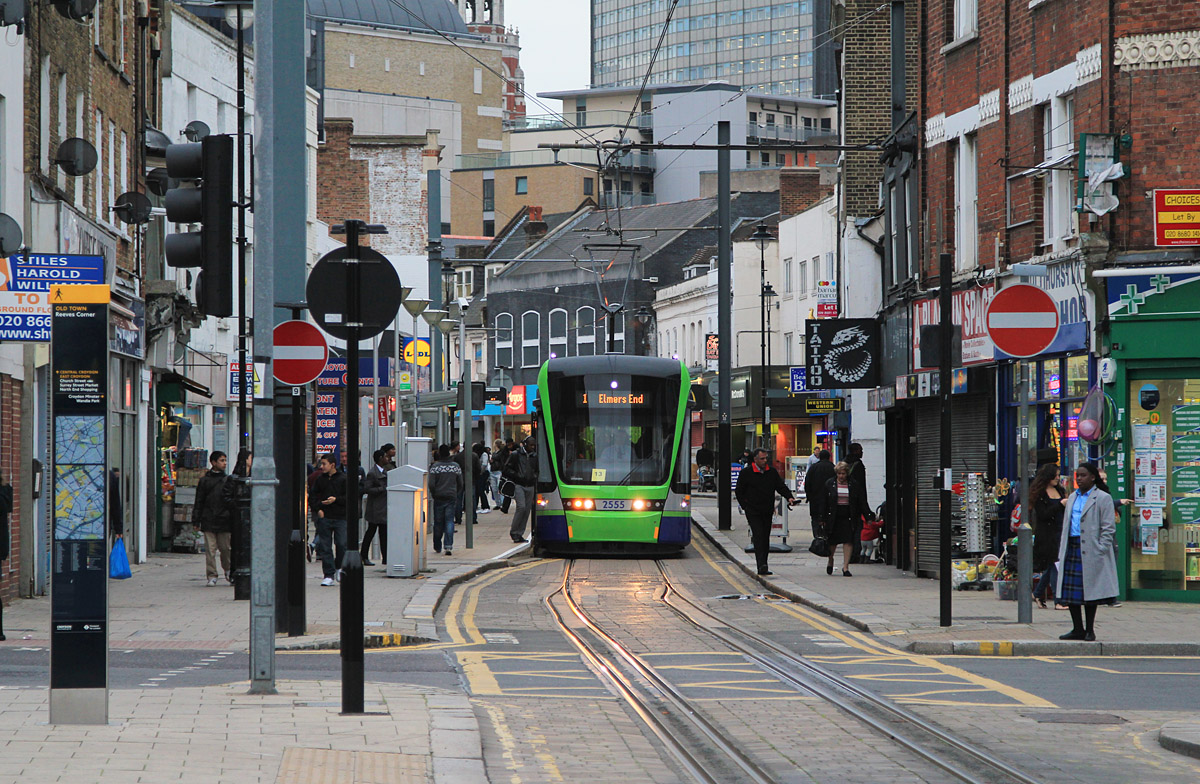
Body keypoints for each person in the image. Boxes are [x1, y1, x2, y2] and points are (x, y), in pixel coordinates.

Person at [1054, 461, 1119, 641]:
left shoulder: (1103, 498)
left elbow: (1108, 527)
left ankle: (1090, 629)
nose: (1079, 479)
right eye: (1078, 476)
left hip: (1091, 548)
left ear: (1092, 477)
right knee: (1071, 592)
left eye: (1083, 476)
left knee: (1090, 591)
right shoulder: (1072, 497)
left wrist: (1101, 548)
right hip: (1072, 545)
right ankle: (1077, 628)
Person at [734, 448, 795, 576]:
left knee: (765, 537)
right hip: (753, 511)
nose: (765, 460)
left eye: (766, 458)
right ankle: (761, 564)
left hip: (767, 510)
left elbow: (780, 486)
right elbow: (739, 491)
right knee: (758, 535)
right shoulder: (746, 473)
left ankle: (764, 564)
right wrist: (745, 506)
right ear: (755, 459)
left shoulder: (771, 472)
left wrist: (789, 497)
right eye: (762, 458)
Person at [819, 461, 871, 577]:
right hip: (833, 516)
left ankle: (845, 567)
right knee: (832, 541)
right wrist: (822, 517)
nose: (841, 476)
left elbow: (861, 501)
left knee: (848, 541)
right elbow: (824, 501)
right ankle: (830, 559)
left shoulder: (853, 484)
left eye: (843, 473)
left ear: (847, 473)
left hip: (848, 516)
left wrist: (868, 515)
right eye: (839, 474)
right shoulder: (830, 484)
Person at [1029, 463, 1066, 609]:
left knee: (1053, 565)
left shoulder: (1060, 490)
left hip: (1061, 530)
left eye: (1058, 475)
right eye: (1055, 476)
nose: (1057, 478)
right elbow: (1043, 514)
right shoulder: (1040, 494)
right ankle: (1059, 600)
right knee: (1055, 564)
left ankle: (1038, 593)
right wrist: (1060, 505)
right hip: (1047, 534)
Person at [193, 451, 232, 587]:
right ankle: (212, 575)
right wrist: (196, 520)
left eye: (225, 460)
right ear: (213, 463)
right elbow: (199, 501)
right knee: (210, 550)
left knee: (226, 549)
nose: (224, 463)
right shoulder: (205, 481)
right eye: (221, 460)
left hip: (224, 520)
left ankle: (228, 570)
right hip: (209, 519)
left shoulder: (228, 480)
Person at [311, 453, 348, 586]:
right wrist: (318, 509)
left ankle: (339, 567)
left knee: (341, 544)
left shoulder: (343, 479)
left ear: (332, 465)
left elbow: (349, 497)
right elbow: (312, 496)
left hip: (340, 517)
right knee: (325, 546)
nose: (322, 467)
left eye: (324, 464)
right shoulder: (320, 479)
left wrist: (336, 499)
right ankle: (328, 574)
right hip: (325, 516)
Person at [428, 444, 463, 555]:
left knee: (438, 521)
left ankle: (437, 545)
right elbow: (460, 483)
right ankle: (448, 546)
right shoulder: (455, 466)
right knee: (449, 520)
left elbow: (431, 484)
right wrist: (455, 492)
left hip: (439, 496)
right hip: (451, 496)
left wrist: (434, 493)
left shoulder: (435, 467)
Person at [845, 442, 875, 563]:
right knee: (857, 529)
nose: (862, 452)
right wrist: (865, 509)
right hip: (856, 503)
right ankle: (855, 554)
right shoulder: (858, 465)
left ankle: (849, 554)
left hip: (844, 502)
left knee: (848, 530)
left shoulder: (845, 463)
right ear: (856, 451)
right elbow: (861, 488)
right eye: (860, 450)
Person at [505, 435, 538, 543]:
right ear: (525, 444)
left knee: (527, 510)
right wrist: (517, 476)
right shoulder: (516, 454)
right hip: (519, 484)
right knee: (521, 507)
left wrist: (534, 477)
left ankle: (519, 533)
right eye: (531, 445)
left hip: (530, 485)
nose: (532, 447)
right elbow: (507, 468)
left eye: (534, 445)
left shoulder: (534, 456)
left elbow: (536, 469)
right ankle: (514, 532)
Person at [359, 449, 388, 566]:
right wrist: (382, 489)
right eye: (385, 457)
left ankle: (385, 557)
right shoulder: (372, 473)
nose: (387, 459)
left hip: (383, 508)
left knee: (383, 533)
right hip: (375, 508)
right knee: (371, 532)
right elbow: (367, 489)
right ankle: (364, 555)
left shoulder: (384, 471)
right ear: (380, 458)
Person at [803, 450, 836, 539]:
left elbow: (807, 483)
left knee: (815, 518)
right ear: (829, 457)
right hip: (829, 499)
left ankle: (817, 537)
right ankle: (827, 536)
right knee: (829, 517)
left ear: (819, 457)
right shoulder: (833, 467)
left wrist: (808, 495)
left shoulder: (813, 468)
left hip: (815, 498)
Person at [473, 443, 492, 514]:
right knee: (478, 490)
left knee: (480, 489)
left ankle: (485, 506)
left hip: (483, 473)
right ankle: (477, 505)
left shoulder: (484, 454)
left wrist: (480, 472)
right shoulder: (478, 455)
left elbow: (484, 464)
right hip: (479, 473)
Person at [490, 439, 506, 508]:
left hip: (499, 471)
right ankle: (498, 503)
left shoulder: (501, 453)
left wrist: (493, 460)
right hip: (493, 471)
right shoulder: (494, 453)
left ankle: (502, 502)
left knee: (500, 487)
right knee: (494, 488)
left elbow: (497, 458)